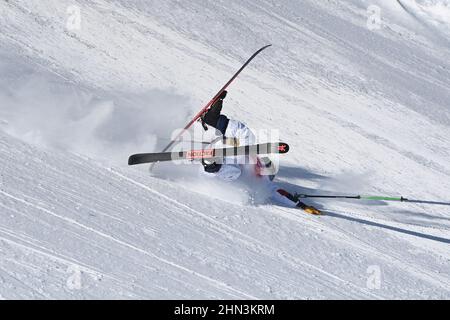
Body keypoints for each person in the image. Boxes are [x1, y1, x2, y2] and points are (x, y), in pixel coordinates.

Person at [200, 90, 321, 215]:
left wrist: (301, 205)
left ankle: (212, 165)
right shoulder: (254, 160)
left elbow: (281, 194)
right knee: (245, 138)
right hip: (221, 151)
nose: (263, 165)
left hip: (219, 172)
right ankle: (213, 121)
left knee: (236, 170)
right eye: (266, 163)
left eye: (266, 166)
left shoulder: (264, 183)